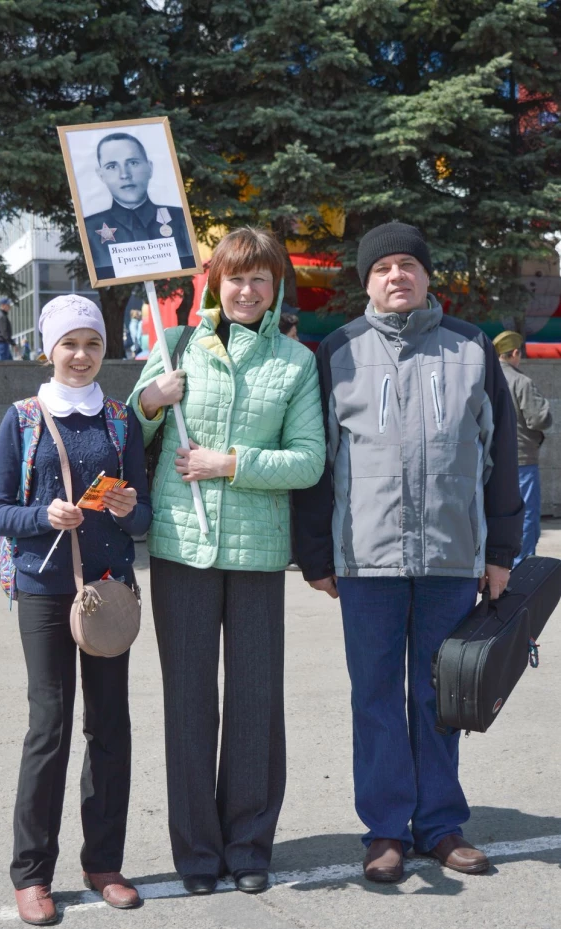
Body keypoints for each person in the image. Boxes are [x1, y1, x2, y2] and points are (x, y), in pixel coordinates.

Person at [294, 222, 523, 883]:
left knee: (440, 695)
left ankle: (441, 824)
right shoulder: (336, 350)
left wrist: (500, 549)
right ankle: (386, 830)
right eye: (383, 267)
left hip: (453, 559)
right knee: (375, 697)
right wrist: (317, 555)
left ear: (428, 278)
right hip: (367, 563)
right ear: (367, 282)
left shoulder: (472, 348)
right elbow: (319, 464)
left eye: (408, 266)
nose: (397, 276)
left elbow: (501, 461)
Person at [129, 227, 325, 896]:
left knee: (253, 701)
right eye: (235, 277)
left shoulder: (294, 361)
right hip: (182, 546)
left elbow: (308, 459)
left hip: (256, 552)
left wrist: (230, 463)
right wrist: (152, 401)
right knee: (188, 702)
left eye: (260, 279)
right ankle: (197, 853)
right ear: (215, 283)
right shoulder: (176, 342)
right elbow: (131, 424)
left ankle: (248, 845)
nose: (246, 289)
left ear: (275, 288)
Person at [0, 294, 151, 925]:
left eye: (93, 345)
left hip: (109, 591)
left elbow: (144, 516)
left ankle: (103, 863)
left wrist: (126, 507)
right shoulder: (22, 417)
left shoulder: (119, 420)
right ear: (48, 349)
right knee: (48, 729)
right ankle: (32, 873)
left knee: (110, 729)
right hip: (43, 592)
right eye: (70, 344)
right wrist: (42, 515)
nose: (81, 356)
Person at [84, 132, 195, 280]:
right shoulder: (90, 228)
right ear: (101, 175)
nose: (125, 174)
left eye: (133, 163)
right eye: (112, 166)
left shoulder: (180, 219)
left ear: (150, 168)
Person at [493, 330, 552, 565]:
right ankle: (522, 566)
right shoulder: (521, 381)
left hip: (492, 461)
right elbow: (539, 418)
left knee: (498, 515)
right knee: (526, 516)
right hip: (522, 460)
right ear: (515, 353)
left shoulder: (486, 379)